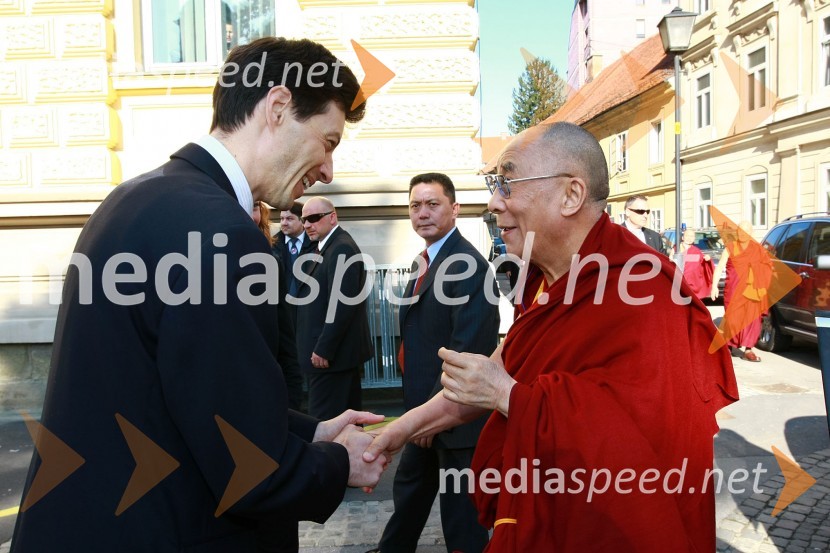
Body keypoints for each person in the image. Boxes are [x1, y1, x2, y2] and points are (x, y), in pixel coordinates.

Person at [12, 38, 388, 553]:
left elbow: (188, 398)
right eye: (329, 141)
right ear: (277, 108)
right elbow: (248, 471)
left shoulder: (136, 198)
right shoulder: (222, 232)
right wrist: (341, 462)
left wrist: (313, 433)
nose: (327, 169)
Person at [364, 122, 738, 552]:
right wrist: (398, 431)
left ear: (571, 195)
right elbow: (489, 377)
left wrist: (510, 397)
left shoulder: (644, 290)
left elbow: (637, 444)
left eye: (507, 183)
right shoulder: (547, 281)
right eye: (494, 185)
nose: (493, 203)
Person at [369, 173, 498, 553]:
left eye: (432, 204)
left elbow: (467, 352)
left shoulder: (468, 266)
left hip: (454, 420)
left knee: (461, 519)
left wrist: (429, 415)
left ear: (454, 209)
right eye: (415, 205)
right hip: (425, 411)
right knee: (410, 492)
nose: (422, 213)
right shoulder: (425, 260)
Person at [295, 197, 373, 420]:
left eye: (313, 218)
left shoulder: (341, 248)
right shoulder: (326, 246)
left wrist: (324, 348)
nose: (307, 224)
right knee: (341, 424)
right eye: (304, 220)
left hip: (330, 360)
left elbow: (341, 305)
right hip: (328, 359)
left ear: (332, 217)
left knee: (327, 425)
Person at [254, 201, 305, 412]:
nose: (284, 223)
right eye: (282, 218)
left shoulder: (270, 258)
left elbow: (283, 338)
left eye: (255, 207)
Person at [710, 220, 772, 362]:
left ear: (751, 233)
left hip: (752, 290)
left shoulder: (758, 249)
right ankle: (730, 344)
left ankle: (749, 349)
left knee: (753, 319)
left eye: (746, 231)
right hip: (733, 289)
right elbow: (719, 267)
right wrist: (714, 286)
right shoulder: (730, 248)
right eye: (741, 231)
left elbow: (768, 267)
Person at [273, 201, 317, 323]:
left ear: (302, 221)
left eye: (289, 219)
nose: (284, 223)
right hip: (283, 310)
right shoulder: (272, 244)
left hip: (309, 309)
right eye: (281, 219)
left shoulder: (316, 244)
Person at [679, 228, 715, 300]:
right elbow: (671, 259)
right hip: (680, 281)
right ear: (682, 237)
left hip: (693, 282)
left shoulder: (696, 251)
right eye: (687, 236)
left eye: (692, 236)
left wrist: (707, 260)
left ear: (694, 238)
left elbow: (702, 264)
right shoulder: (676, 248)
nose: (689, 238)